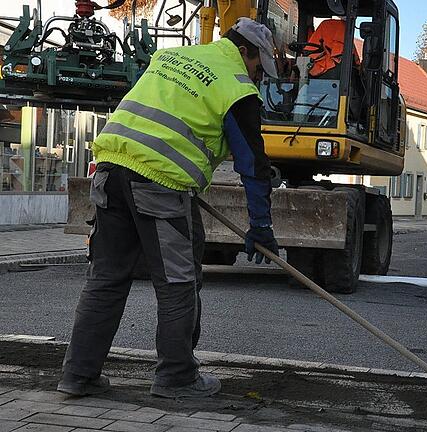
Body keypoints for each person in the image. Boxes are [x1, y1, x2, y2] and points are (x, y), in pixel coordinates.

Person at [57, 18, 280, 399]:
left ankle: (78, 375)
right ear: (245, 51)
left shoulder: (171, 56)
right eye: (259, 66)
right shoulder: (236, 87)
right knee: (178, 282)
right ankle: (176, 377)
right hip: (159, 184)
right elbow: (252, 165)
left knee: (106, 279)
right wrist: (261, 224)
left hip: (110, 170)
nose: (258, 76)